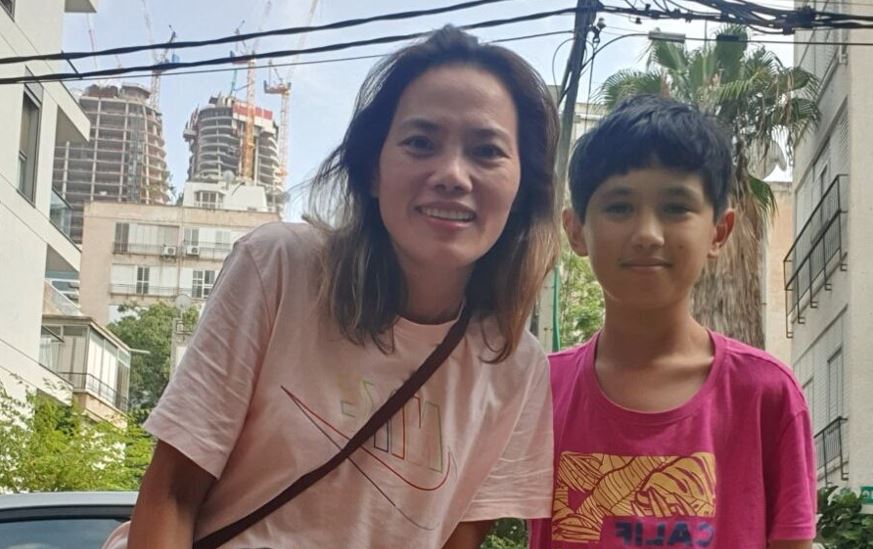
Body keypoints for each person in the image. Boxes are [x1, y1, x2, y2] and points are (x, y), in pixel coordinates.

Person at [103, 25, 561, 549]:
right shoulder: (279, 267)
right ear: (372, 171)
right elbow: (172, 495)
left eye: (486, 151)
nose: (452, 174)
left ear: (522, 187)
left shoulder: (516, 365)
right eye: (420, 143)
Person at [529, 96, 816, 548]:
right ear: (577, 231)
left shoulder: (766, 394)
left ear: (719, 231)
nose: (647, 234)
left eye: (676, 207)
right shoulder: (538, 390)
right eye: (619, 207)